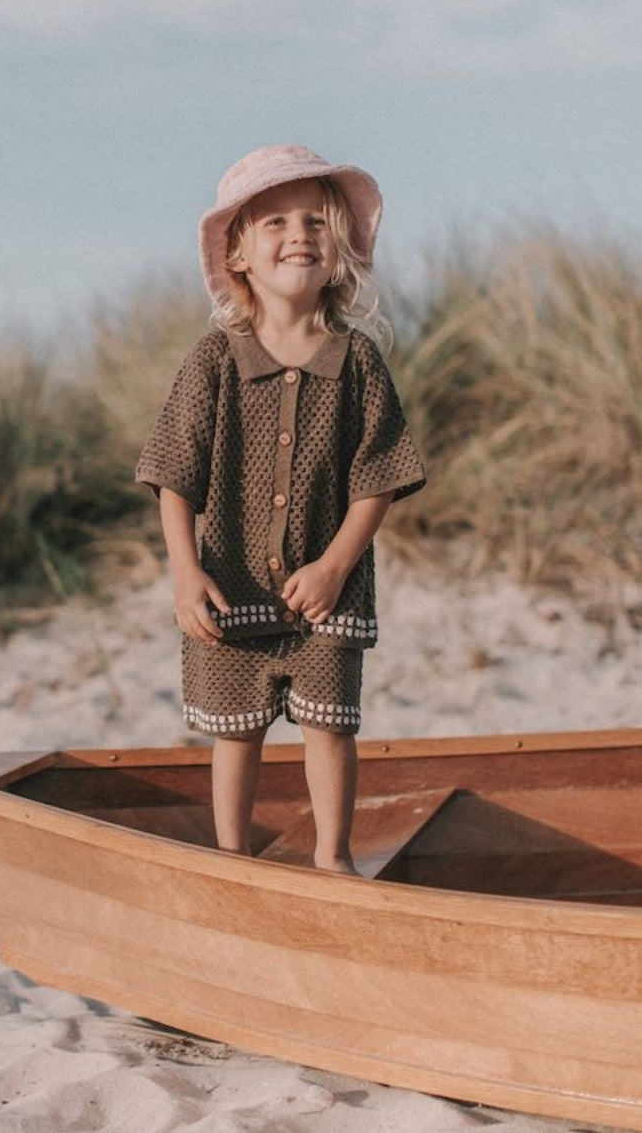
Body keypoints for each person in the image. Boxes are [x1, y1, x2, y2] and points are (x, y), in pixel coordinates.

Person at [136, 144, 425, 872]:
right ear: (238, 254)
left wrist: (333, 566)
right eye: (274, 223)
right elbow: (176, 473)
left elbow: (379, 477)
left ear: (339, 248)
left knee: (329, 728)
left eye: (315, 222)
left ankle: (332, 858)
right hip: (230, 589)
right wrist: (183, 571)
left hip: (324, 597)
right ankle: (229, 860)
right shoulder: (214, 359)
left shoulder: (357, 361)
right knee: (236, 732)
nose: (298, 235)